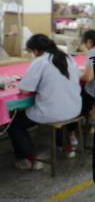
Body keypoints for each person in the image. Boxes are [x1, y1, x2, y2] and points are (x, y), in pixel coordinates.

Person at [7, 34, 82, 170]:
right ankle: (65, 144)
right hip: (75, 109)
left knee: (14, 124)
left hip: (53, 113)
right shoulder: (68, 58)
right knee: (58, 103)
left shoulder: (40, 62)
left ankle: (29, 159)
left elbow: (24, 90)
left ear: (36, 51)